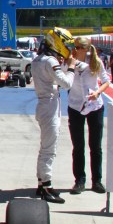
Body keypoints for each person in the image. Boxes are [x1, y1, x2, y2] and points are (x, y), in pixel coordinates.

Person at [30, 27, 77, 203]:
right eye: (65, 43)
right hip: (49, 106)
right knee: (49, 148)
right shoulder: (50, 61)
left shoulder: (39, 59)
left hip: (44, 104)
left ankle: (42, 182)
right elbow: (66, 83)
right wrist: (71, 68)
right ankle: (47, 185)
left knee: (45, 147)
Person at [67, 36, 110, 194]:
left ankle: (97, 180)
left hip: (94, 106)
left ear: (85, 49)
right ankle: (79, 180)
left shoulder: (95, 62)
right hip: (75, 105)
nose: (75, 50)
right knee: (78, 146)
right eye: (75, 47)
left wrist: (97, 93)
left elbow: (106, 81)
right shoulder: (69, 60)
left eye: (78, 47)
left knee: (95, 145)